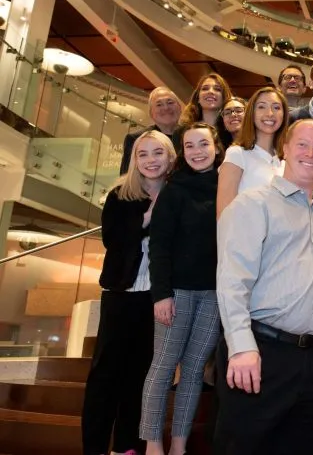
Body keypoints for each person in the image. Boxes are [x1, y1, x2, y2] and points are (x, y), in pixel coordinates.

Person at [215, 120, 313, 455]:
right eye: (302, 144)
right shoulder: (253, 203)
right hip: (260, 351)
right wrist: (241, 346)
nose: (310, 154)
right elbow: (232, 280)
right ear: (284, 148)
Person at [82, 131, 176, 455]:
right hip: (121, 294)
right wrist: (150, 214)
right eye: (143, 154)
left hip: (158, 299)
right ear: (135, 159)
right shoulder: (120, 194)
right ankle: (94, 448)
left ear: (170, 157)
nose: (151, 160)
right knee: (105, 377)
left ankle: (126, 447)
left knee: (141, 378)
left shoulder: (178, 195)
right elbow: (113, 239)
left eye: (157, 153)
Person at [140, 122, 223, 455]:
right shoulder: (174, 190)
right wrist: (161, 294)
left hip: (215, 294)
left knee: (193, 371)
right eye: (190, 146)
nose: (197, 152)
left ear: (216, 146)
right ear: (182, 151)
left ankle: (179, 445)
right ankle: (152, 444)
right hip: (177, 293)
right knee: (163, 366)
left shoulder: (228, 187)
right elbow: (159, 245)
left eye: (203, 144)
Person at [217, 87, 288, 216]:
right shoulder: (237, 154)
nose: (270, 113)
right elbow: (224, 215)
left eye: (276, 107)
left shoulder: (286, 160)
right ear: (251, 113)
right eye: (261, 107)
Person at [119, 87, 182, 174]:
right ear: (151, 113)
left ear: (180, 108)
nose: (166, 108)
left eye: (170, 102)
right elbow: (126, 176)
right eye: (159, 104)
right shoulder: (136, 138)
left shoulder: (190, 136)